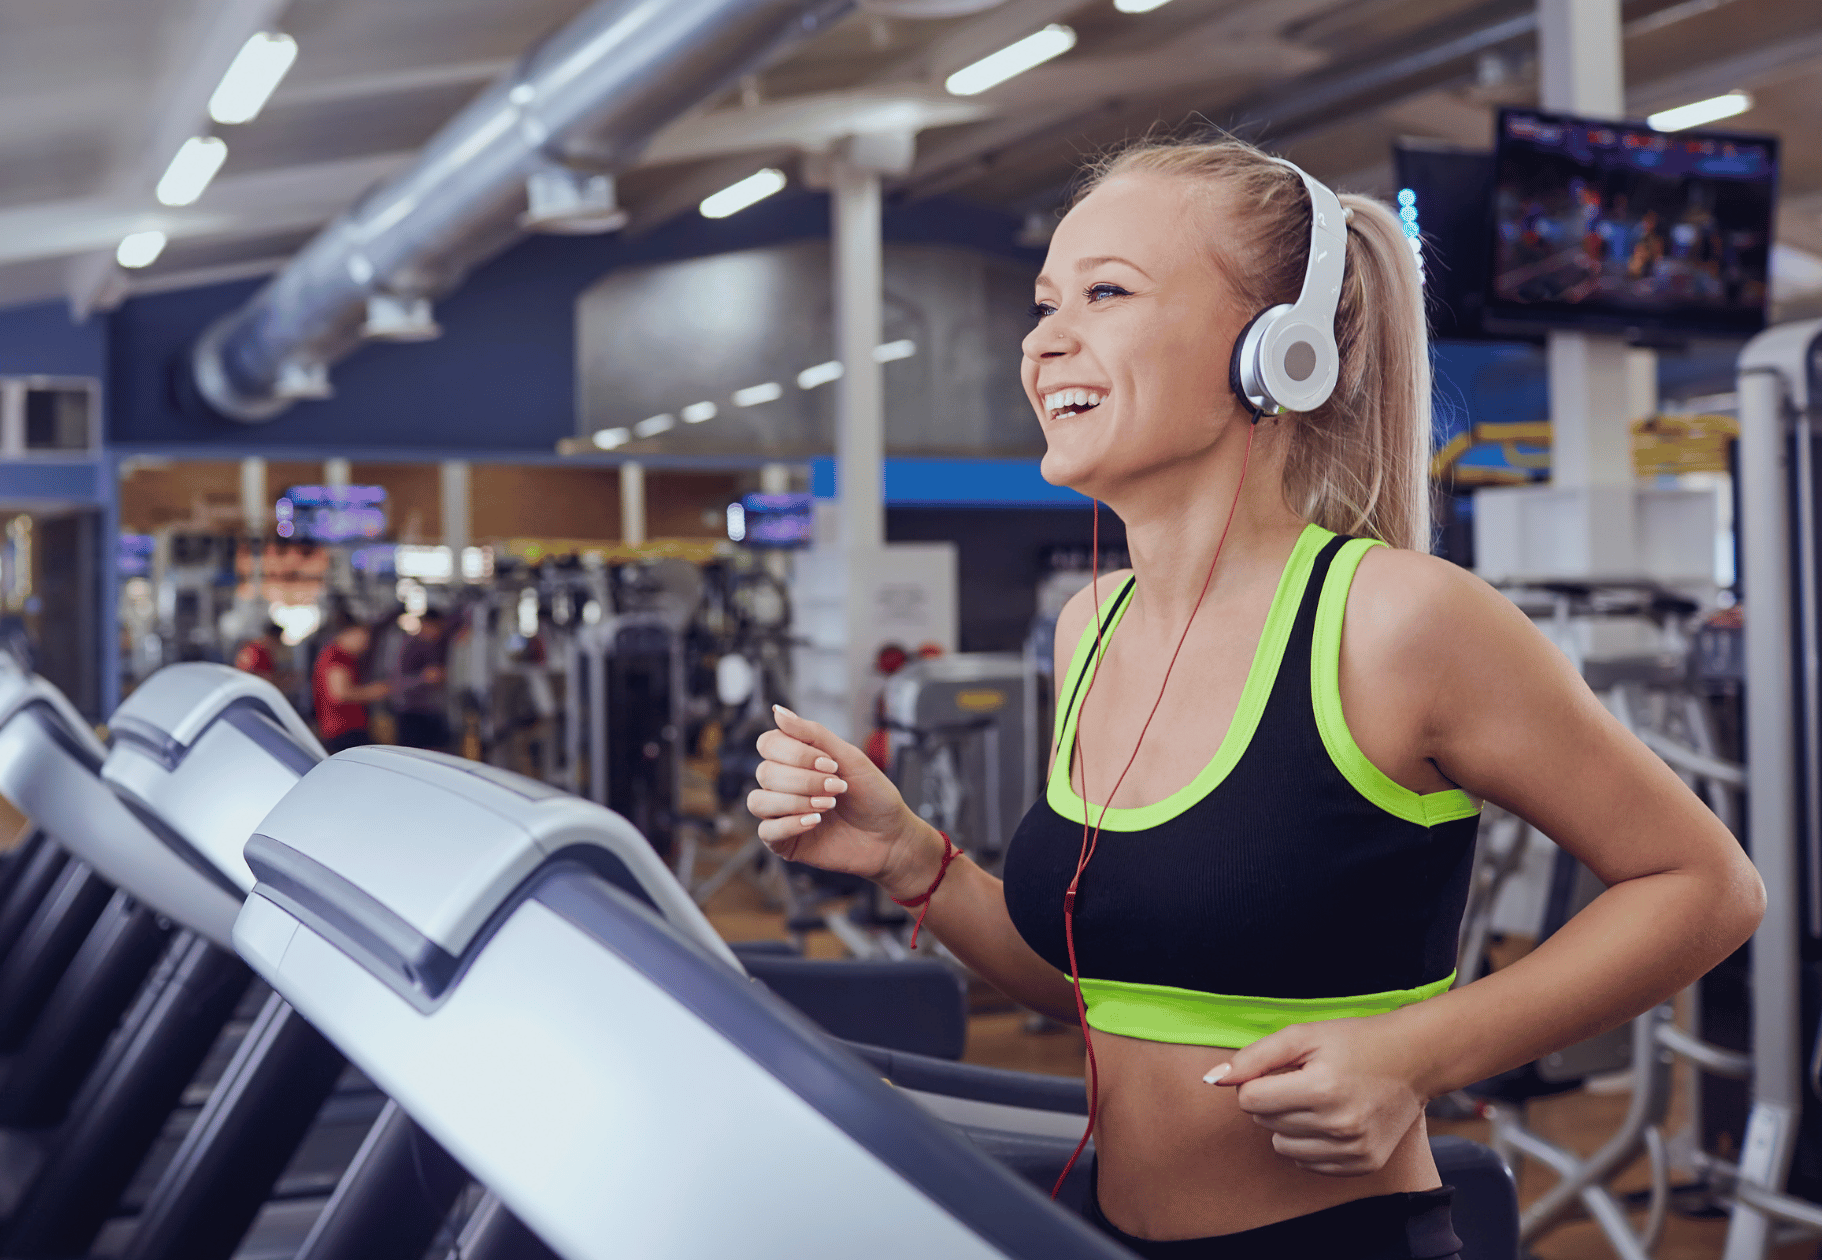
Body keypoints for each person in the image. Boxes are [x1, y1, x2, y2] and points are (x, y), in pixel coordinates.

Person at [747, 135, 1762, 1259]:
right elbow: (1111, 988)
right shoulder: (1090, 627)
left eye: (1106, 293)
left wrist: (1417, 1054)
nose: (1045, 341)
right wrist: (908, 859)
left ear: (1273, 353)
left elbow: (1702, 885)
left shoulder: (1394, 621)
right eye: (1044, 303)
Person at [310, 618, 388, 754]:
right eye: (362, 638)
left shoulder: (345, 657)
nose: (366, 644)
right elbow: (339, 694)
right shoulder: (336, 657)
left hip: (347, 729)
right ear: (348, 633)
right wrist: (373, 692)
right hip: (343, 730)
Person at [391, 609, 450, 752]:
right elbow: (396, 682)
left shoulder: (437, 645)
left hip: (432, 710)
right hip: (411, 712)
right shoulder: (408, 646)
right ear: (425, 625)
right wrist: (423, 678)